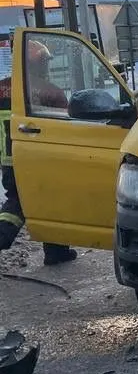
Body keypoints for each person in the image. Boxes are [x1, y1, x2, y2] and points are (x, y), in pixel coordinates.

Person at [0, 40, 76, 264]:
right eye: (44, 62)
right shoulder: (50, 92)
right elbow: (67, 128)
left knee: (19, 199)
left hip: (9, 159)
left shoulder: (2, 87)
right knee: (48, 201)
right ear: (35, 64)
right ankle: (54, 251)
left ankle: (56, 251)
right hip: (40, 158)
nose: (47, 67)